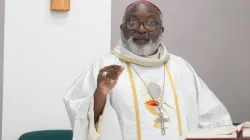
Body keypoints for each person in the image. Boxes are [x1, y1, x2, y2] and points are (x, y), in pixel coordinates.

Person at [63, 1, 232, 140]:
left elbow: (214, 120)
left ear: (161, 30)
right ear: (122, 28)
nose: (141, 29)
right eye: (132, 22)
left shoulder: (182, 69)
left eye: (151, 23)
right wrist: (100, 93)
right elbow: (81, 116)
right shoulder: (104, 65)